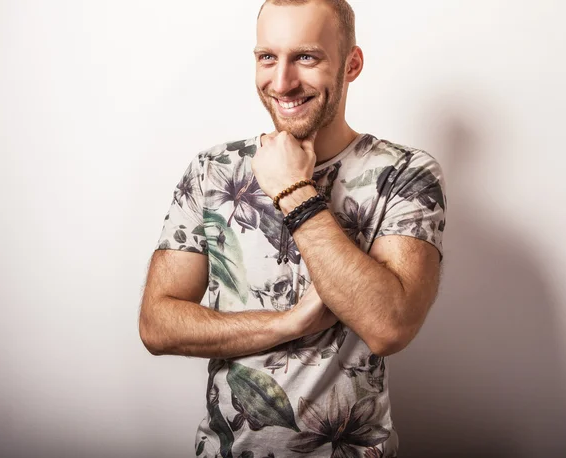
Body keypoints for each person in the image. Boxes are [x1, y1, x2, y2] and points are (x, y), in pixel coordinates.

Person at [139, 0, 446, 456]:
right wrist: (288, 323)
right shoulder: (213, 170)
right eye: (267, 57)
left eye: (306, 57)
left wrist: (295, 191)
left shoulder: (406, 174)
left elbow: (389, 326)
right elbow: (157, 325)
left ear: (351, 64)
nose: (281, 82)